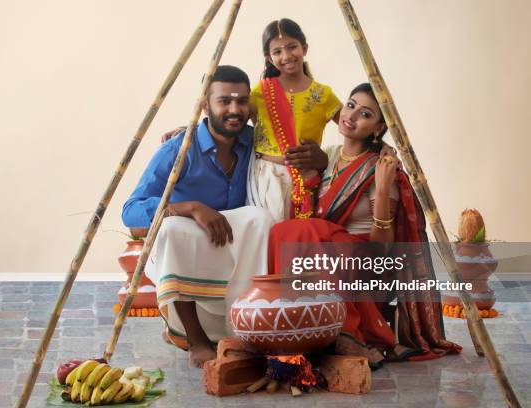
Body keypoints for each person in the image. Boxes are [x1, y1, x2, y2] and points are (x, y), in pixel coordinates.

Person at [267, 83, 461, 368]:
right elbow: (276, 144)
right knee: (282, 231)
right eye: (350, 104)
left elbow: (382, 245)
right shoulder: (328, 156)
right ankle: (290, 323)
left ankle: (347, 332)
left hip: (363, 255)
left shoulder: (380, 166)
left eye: (366, 113)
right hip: (324, 251)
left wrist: (382, 189)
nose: (353, 115)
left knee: (311, 230)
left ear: (378, 128)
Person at [122, 66, 274, 367]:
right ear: (205, 105)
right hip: (184, 244)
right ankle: (195, 338)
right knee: (172, 230)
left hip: (231, 243)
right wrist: (191, 207)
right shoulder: (178, 148)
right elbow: (131, 210)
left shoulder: (253, 140)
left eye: (242, 101)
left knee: (260, 218)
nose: (234, 109)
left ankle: (245, 325)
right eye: (224, 101)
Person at [247, 18, 343, 221]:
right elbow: (232, 121)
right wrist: (189, 130)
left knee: (297, 244)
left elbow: (353, 125)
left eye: (292, 47)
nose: (287, 56)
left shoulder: (323, 94)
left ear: (304, 48)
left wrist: (379, 145)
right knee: (268, 240)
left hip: (307, 180)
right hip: (266, 179)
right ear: (269, 58)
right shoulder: (260, 92)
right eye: (277, 52)